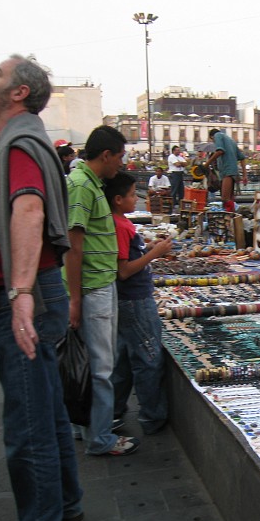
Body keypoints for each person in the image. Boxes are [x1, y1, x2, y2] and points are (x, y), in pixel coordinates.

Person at [0, 54, 83, 521]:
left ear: (18, 92)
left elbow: (29, 207)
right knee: (46, 409)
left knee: (28, 423)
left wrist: (20, 295)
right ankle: (68, 508)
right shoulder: (17, 141)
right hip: (31, 294)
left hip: (24, 298)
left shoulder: (18, 144)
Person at [63, 125, 140, 457]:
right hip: (93, 289)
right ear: (105, 155)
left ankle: (87, 428)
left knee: (92, 365)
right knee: (102, 367)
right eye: (119, 157)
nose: (120, 165)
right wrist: (76, 299)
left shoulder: (89, 183)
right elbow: (73, 247)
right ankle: (101, 438)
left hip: (95, 286)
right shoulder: (81, 185)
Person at [103, 172, 171, 435]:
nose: (136, 198)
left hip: (127, 299)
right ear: (118, 199)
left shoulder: (118, 223)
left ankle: (114, 410)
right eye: (132, 194)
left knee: (123, 357)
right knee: (148, 358)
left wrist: (146, 248)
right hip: (135, 299)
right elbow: (124, 271)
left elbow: (126, 260)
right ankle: (152, 416)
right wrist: (155, 253)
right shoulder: (121, 225)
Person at [206, 128, 247, 212]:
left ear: (211, 137)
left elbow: (220, 151)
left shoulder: (217, 136)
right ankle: (233, 218)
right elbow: (242, 158)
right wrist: (244, 175)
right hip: (233, 172)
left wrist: (207, 163)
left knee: (225, 198)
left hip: (227, 171)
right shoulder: (231, 140)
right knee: (230, 198)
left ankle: (236, 213)